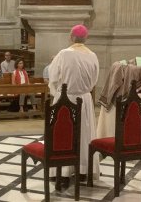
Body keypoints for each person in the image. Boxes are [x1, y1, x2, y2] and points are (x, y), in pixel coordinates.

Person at [48, 24, 100, 187]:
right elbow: (94, 81)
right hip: (84, 100)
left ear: (71, 37)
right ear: (86, 38)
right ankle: (84, 170)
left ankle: (62, 172)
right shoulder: (93, 55)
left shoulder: (64, 54)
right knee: (84, 135)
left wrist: (56, 92)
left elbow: (53, 76)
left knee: (64, 134)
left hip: (65, 100)